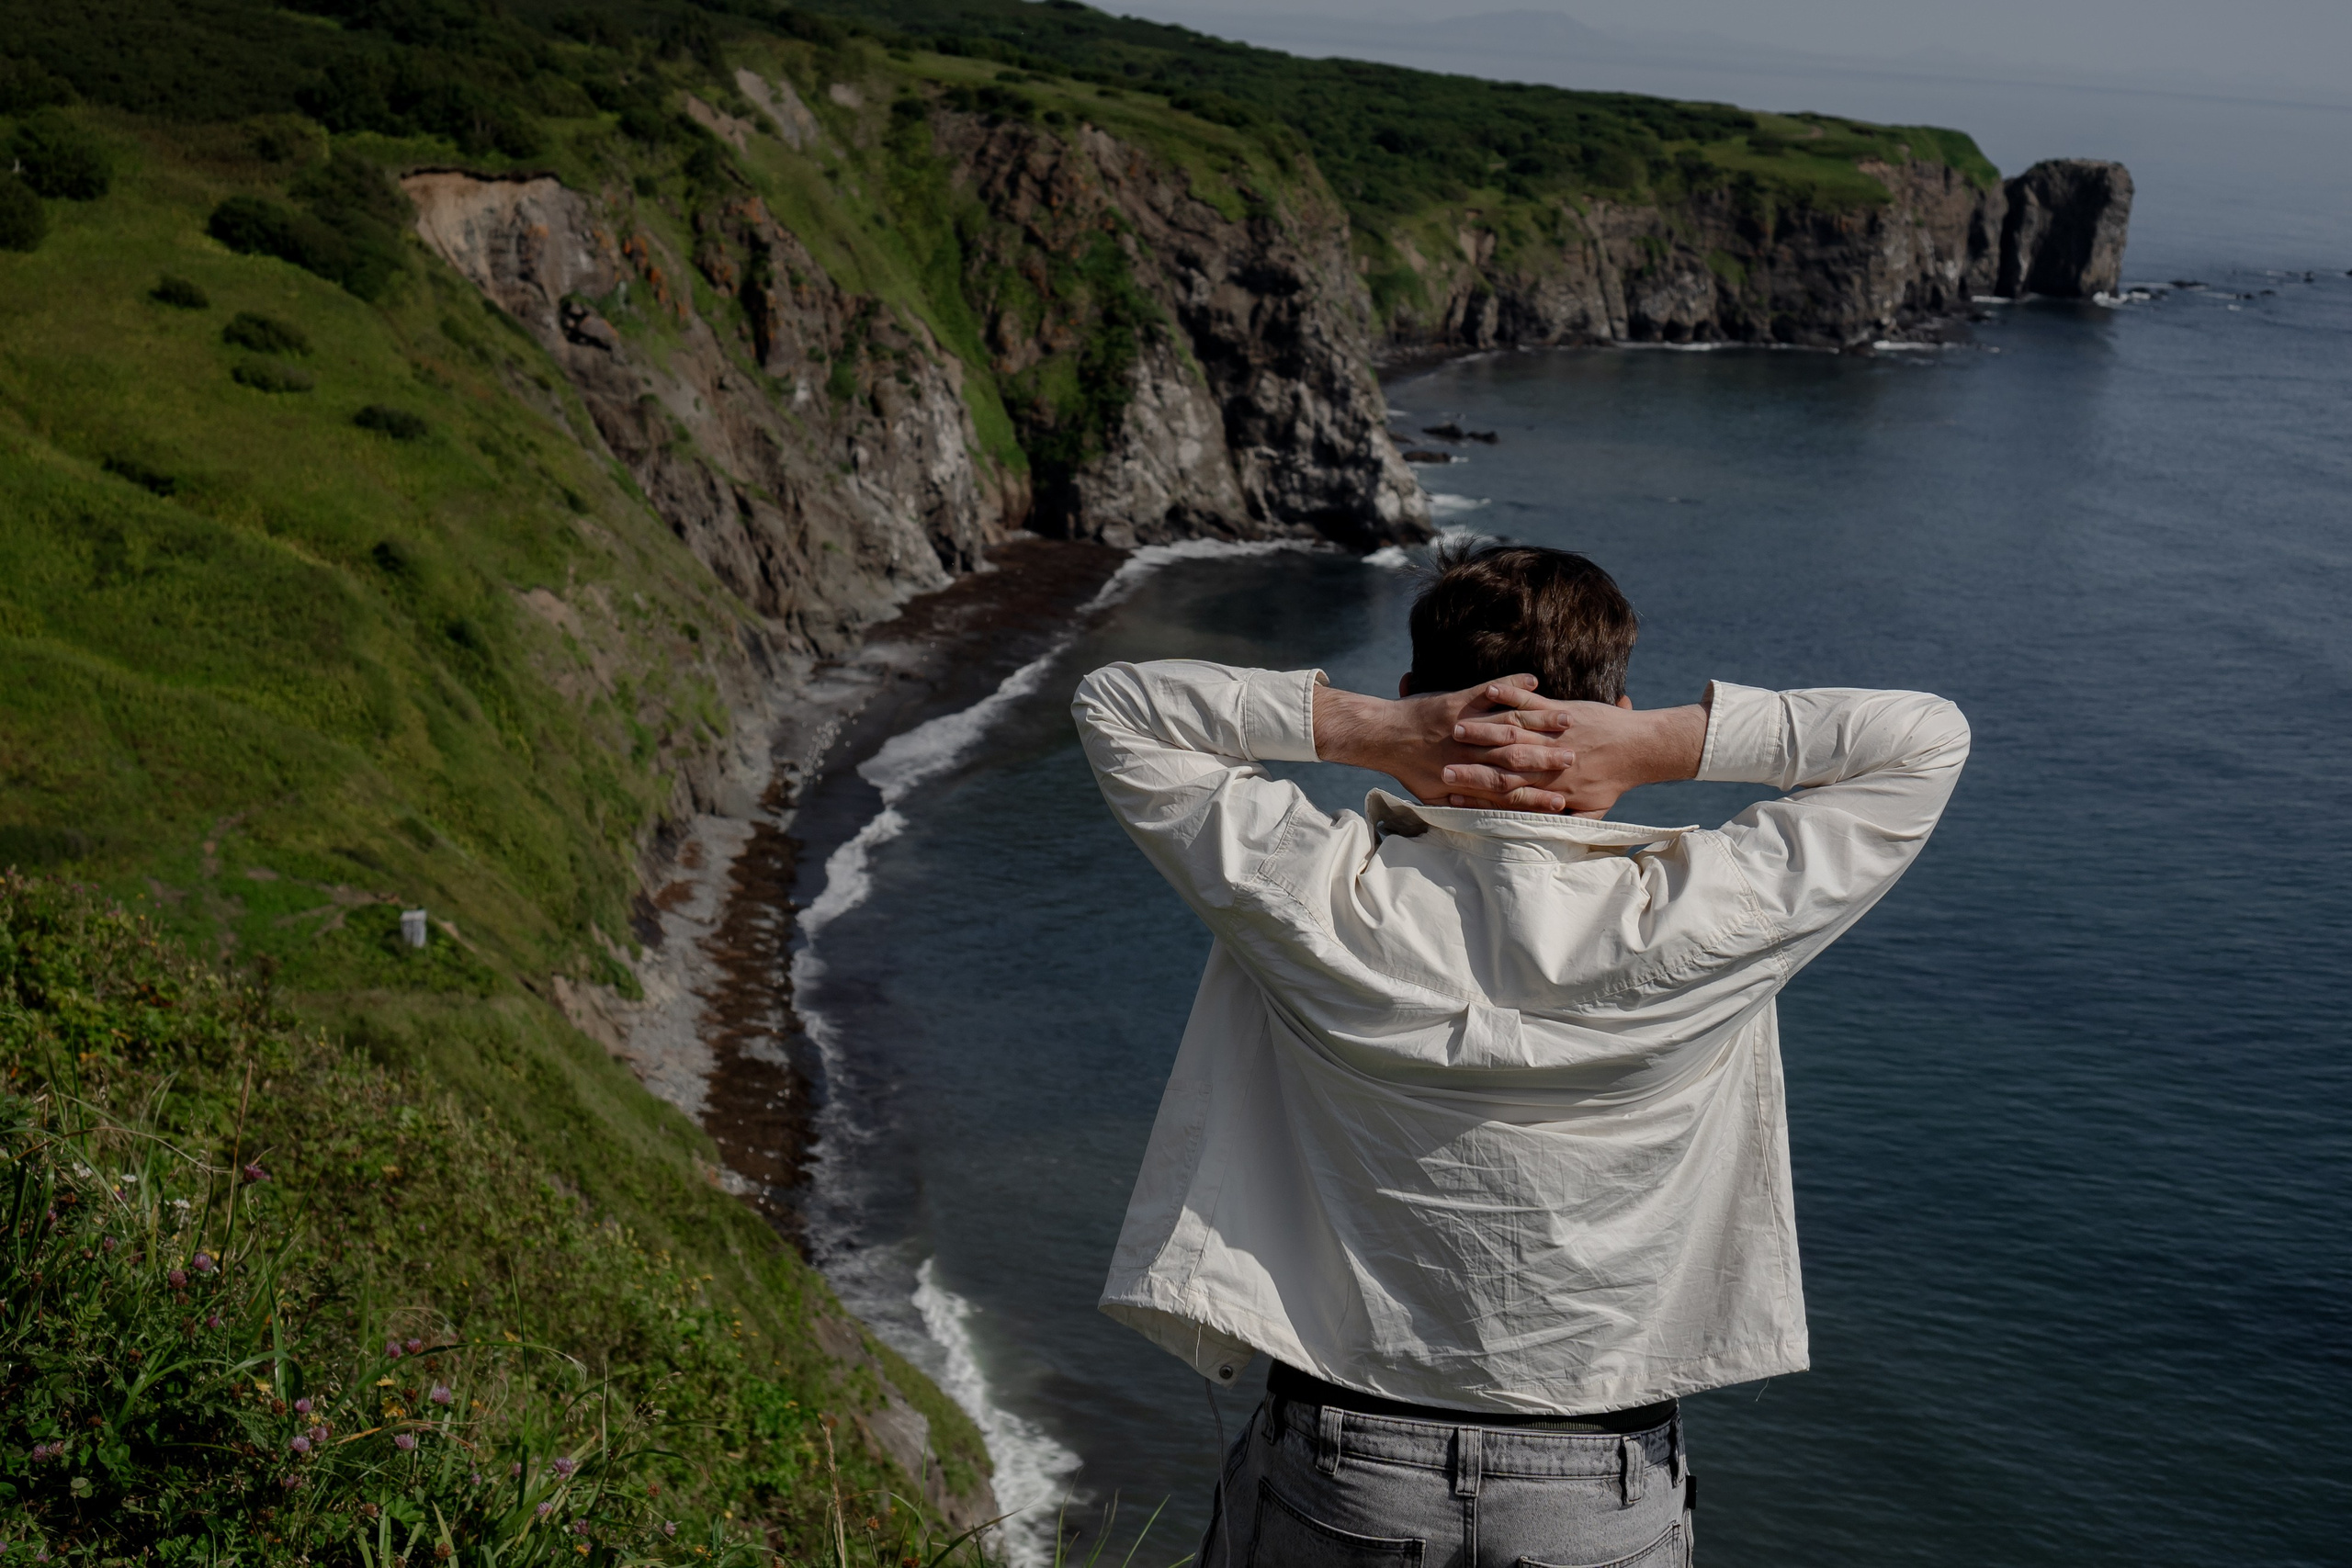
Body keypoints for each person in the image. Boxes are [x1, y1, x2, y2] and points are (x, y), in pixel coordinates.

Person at [1070, 542, 1970, 1567]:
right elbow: (1923, 738)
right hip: (1599, 1482)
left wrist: (1372, 731)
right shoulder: (1710, 909)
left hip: (1342, 1457)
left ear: (1418, 695)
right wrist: (1661, 744)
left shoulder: (1313, 893)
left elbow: (1122, 704)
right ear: (1616, 706)